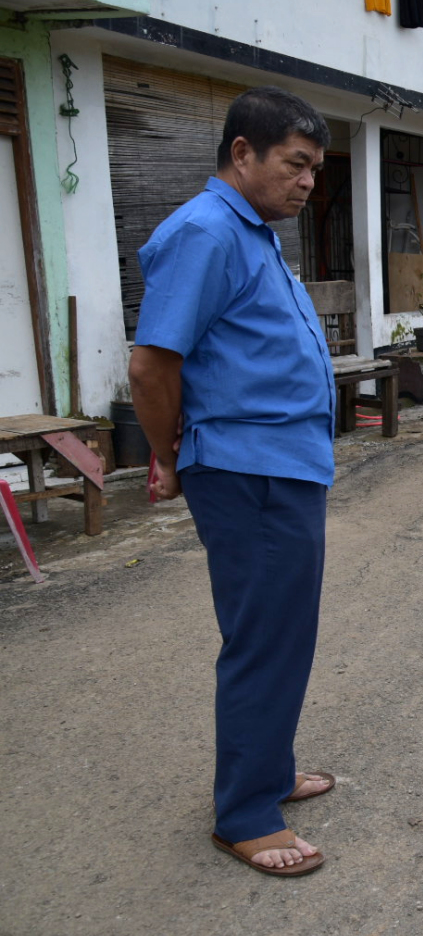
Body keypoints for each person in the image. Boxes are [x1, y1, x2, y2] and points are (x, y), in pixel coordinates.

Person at [128, 86, 337, 876]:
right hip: (246, 472)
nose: (309, 182)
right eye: (296, 164)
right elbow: (152, 365)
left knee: (285, 631)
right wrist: (170, 458)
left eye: (315, 168)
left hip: (282, 467)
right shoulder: (207, 231)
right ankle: (245, 814)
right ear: (242, 153)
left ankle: (270, 773)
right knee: (261, 636)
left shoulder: (253, 232)